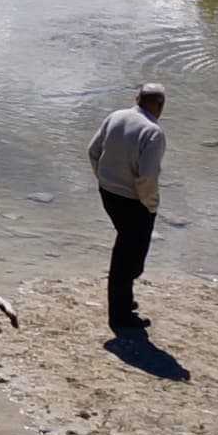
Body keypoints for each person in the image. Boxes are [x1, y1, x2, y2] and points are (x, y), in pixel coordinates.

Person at [88, 83, 167, 334]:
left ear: (137, 98)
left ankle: (124, 299)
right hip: (134, 202)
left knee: (127, 250)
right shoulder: (153, 133)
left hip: (108, 193)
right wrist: (151, 205)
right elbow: (147, 177)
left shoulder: (116, 116)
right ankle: (120, 315)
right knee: (128, 257)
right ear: (160, 106)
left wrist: (102, 178)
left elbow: (93, 151)